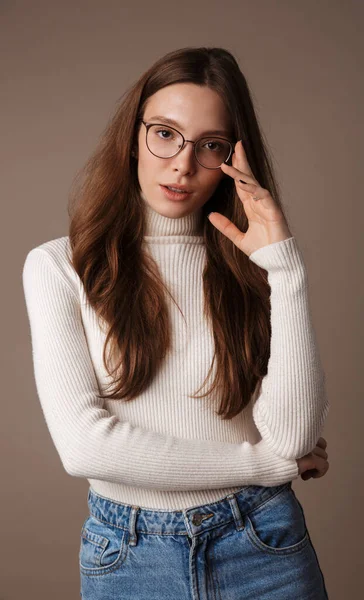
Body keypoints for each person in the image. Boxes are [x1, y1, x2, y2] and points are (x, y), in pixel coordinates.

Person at [22, 46, 330, 599]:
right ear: (133, 136)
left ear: (234, 157)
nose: (183, 164)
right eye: (164, 133)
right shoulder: (59, 267)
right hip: (129, 555)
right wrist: (261, 464)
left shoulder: (255, 266)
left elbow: (296, 436)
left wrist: (285, 267)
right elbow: (85, 448)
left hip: (262, 544)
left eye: (210, 146)